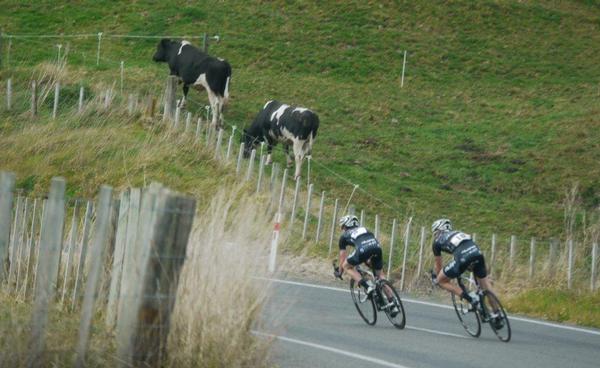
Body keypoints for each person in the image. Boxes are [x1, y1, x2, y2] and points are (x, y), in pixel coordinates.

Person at [430, 218, 503, 329]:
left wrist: (436, 277)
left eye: (435, 232)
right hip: (477, 253)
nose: (435, 235)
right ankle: (498, 314)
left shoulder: (437, 242)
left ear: (439, 230)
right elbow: (468, 247)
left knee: (441, 280)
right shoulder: (459, 233)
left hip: (463, 257)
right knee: (485, 285)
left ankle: (470, 298)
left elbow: (438, 265)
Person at [334, 215, 399, 318]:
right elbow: (369, 245)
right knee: (380, 275)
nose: (343, 229)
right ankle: (393, 303)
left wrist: (340, 271)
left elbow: (343, 256)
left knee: (346, 266)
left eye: (343, 227)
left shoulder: (344, 236)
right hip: (376, 247)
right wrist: (368, 261)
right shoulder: (365, 229)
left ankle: (367, 286)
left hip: (362, 249)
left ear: (346, 226)